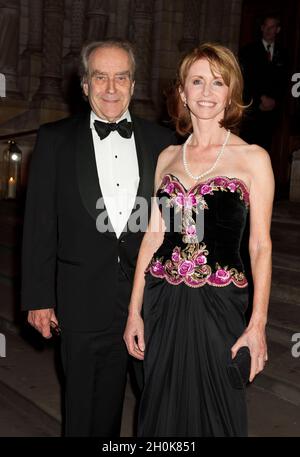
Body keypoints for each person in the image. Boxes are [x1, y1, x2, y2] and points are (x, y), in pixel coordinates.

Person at [21, 39, 175, 437]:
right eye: (100, 77)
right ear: (84, 85)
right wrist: (39, 297)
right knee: (88, 411)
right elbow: (39, 224)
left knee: (161, 406)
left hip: (151, 300)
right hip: (82, 298)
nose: (111, 87)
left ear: (133, 84)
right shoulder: (55, 139)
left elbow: (174, 224)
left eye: (120, 77)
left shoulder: (163, 144)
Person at [124, 42, 274, 437]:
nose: (207, 92)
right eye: (197, 81)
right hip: (163, 300)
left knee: (218, 411)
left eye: (218, 83)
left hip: (220, 305)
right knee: (160, 407)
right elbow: (153, 236)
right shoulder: (167, 158)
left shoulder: (253, 158)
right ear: (183, 92)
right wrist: (134, 311)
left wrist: (257, 325)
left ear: (231, 93)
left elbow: (260, 246)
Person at [239, 14, 287, 151]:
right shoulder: (248, 51)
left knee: (266, 149)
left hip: (272, 112)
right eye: (265, 26)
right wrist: (260, 98)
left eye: (272, 27)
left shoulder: (283, 53)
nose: (268, 30)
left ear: (278, 30)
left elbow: (284, 81)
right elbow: (245, 79)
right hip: (253, 109)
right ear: (261, 28)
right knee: (248, 147)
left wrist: (275, 100)